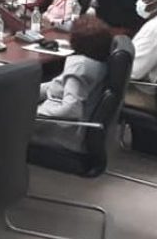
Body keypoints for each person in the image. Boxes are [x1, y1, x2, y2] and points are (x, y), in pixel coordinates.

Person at [32, 15, 113, 152]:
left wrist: (32, 112)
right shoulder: (97, 62)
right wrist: (21, 90)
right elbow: (55, 86)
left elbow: (72, 109)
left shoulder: (79, 67)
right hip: (55, 118)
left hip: (58, 131)